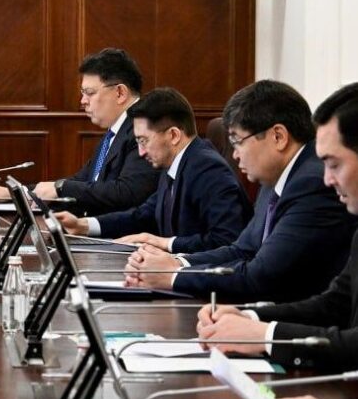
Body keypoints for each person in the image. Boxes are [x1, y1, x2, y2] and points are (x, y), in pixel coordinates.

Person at [124, 80, 355, 302]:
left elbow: (260, 276)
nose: (234, 154)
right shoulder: (275, 179)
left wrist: (173, 276)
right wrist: (177, 263)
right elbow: (242, 250)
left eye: (237, 141)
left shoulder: (312, 184)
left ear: (278, 136)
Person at [198, 82, 358, 371]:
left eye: (334, 164)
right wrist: (249, 318)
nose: (327, 179)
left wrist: (266, 337)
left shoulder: (308, 184)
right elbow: (336, 304)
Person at [54, 87, 250, 253]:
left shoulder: (208, 169)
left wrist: (164, 243)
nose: (140, 152)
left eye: (143, 141)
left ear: (173, 135)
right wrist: (83, 225)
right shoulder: (174, 162)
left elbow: (225, 240)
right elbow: (143, 215)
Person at [0, 48, 159, 215]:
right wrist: (18, 193)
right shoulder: (115, 132)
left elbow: (127, 192)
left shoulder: (144, 128)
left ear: (120, 93)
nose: (83, 101)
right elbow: (83, 182)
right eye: (83, 93)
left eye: (89, 93)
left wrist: (61, 188)